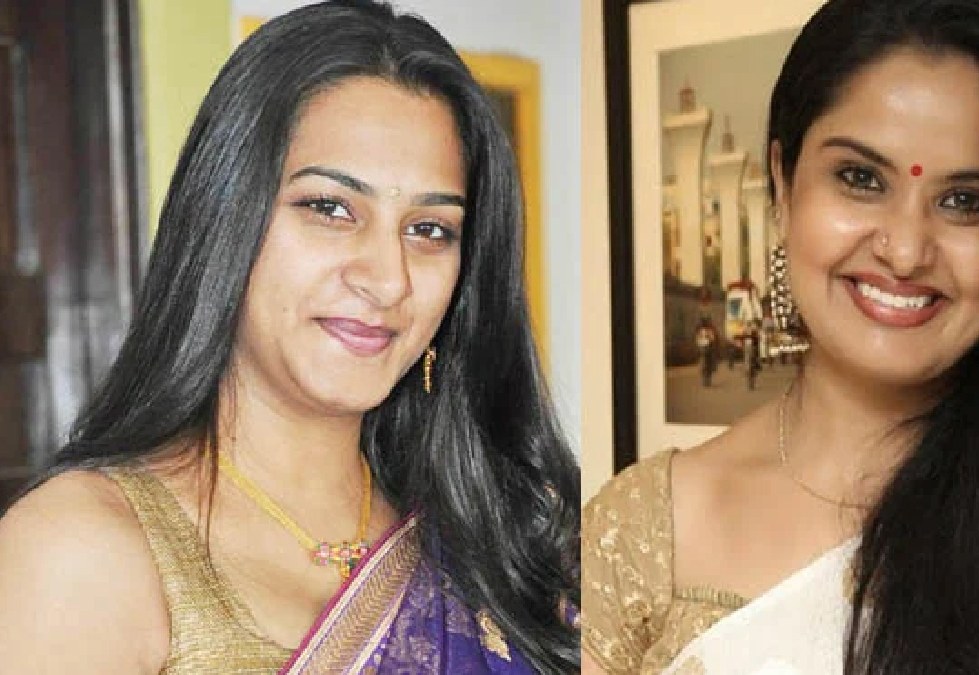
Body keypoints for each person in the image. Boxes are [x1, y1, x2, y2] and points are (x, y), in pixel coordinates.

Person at [582, 0, 979, 672]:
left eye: (965, 201)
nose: (905, 251)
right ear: (783, 184)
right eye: (861, 178)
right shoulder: (640, 535)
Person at [0, 2, 579, 673]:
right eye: (329, 208)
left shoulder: (507, 544)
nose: (388, 279)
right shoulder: (80, 551)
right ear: (225, 219)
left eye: (429, 229)